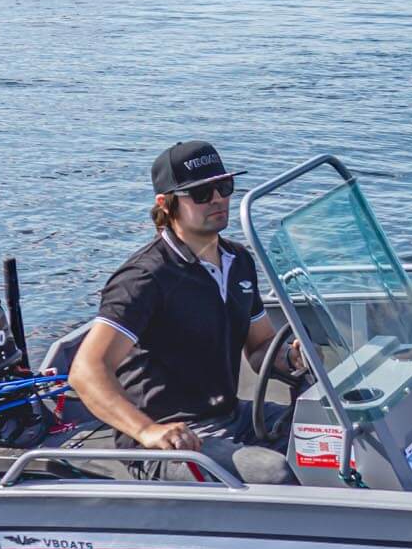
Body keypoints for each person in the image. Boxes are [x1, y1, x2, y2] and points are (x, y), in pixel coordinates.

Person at [69, 140, 306, 484]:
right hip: (167, 439)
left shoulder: (238, 261)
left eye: (224, 187)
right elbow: (86, 371)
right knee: (274, 473)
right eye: (200, 193)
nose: (217, 199)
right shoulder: (145, 278)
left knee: (330, 434)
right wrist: (148, 431)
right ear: (166, 204)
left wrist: (290, 356)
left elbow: (260, 347)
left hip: (230, 414)